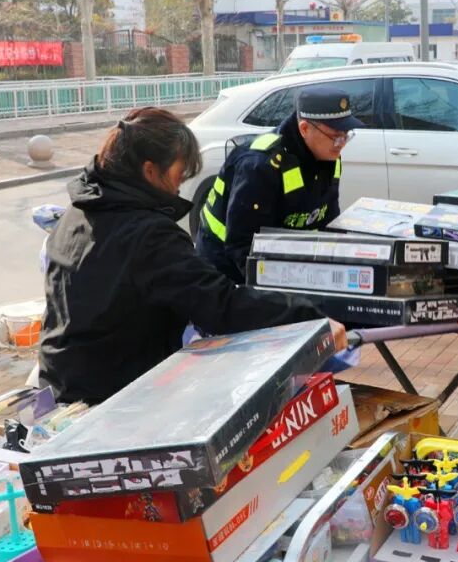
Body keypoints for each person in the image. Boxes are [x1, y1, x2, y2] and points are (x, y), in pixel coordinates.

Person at [38, 107, 347, 405]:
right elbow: (221, 305)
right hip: (113, 396)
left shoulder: (80, 210)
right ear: (149, 170)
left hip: (60, 379)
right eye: (179, 172)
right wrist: (308, 317)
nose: (181, 183)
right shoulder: (148, 235)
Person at [196, 86, 360, 283]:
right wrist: (281, 294)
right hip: (224, 267)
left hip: (282, 260)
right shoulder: (260, 165)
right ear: (305, 129)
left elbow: (328, 221)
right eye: (335, 137)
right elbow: (242, 246)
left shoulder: (329, 156)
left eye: (346, 135)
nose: (341, 143)